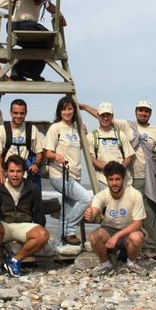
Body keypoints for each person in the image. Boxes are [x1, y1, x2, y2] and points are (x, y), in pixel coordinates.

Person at [80, 100, 156, 259]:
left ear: (150, 113)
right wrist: (84, 108)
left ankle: (148, 246)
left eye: (146, 110)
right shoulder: (126, 126)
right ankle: (115, 244)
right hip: (118, 179)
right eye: (141, 110)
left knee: (148, 212)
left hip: (146, 177)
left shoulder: (154, 130)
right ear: (136, 111)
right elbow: (92, 157)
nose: (143, 113)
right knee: (114, 213)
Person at [0, 0, 66, 81]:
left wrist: (60, 14)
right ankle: (26, 71)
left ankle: (17, 71)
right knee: (51, 38)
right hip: (18, 23)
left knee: (47, 43)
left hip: (29, 26)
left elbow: (48, 5)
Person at [0, 155, 49, 277]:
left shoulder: (33, 188)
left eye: (19, 171)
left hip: (24, 225)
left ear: (23, 173)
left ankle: (14, 260)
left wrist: (39, 235)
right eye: (12, 171)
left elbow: (38, 213)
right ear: (5, 172)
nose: (15, 175)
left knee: (43, 234)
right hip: (4, 224)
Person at [43, 96, 92, 246]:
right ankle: (70, 231)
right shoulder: (55, 128)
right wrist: (56, 156)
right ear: (59, 111)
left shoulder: (77, 128)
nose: (67, 112)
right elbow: (47, 152)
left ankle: (59, 245)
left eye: (70, 108)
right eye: (64, 109)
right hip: (59, 175)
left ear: (74, 110)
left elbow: (81, 149)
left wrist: (84, 133)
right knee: (86, 198)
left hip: (75, 175)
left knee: (66, 212)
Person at [84, 161, 147, 275]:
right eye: (111, 179)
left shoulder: (134, 194)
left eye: (117, 179)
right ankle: (106, 264)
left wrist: (117, 236)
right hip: (109, 230)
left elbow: (138, 224)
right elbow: (94, 210)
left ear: (123, 179)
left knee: (137, 237)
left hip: (128, 232)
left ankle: (131, 263)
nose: (114, 183)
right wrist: (90, 214)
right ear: (107, 180)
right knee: (93, 236)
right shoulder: (102, 194)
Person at [0, 99, 44, 188]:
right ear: (10, 112)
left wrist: (36, 164)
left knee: (34, 192)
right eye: (15, 113)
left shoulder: (32, 129)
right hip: (7, 173)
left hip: (26, 173)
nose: (18, 116)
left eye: (22, 113)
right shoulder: (1, 129)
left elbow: (39, 152)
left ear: (26, 113)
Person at [85, 102, 134, 190]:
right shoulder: (91, 136)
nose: (105, 118)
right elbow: (91, 158)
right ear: (98, 116)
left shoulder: (120, 134)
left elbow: (128, 155)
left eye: (108, 115)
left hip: (124, 181)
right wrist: (107, 169)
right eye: (102, 115)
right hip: (103, 181)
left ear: (112, 116)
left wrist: (120, 168)